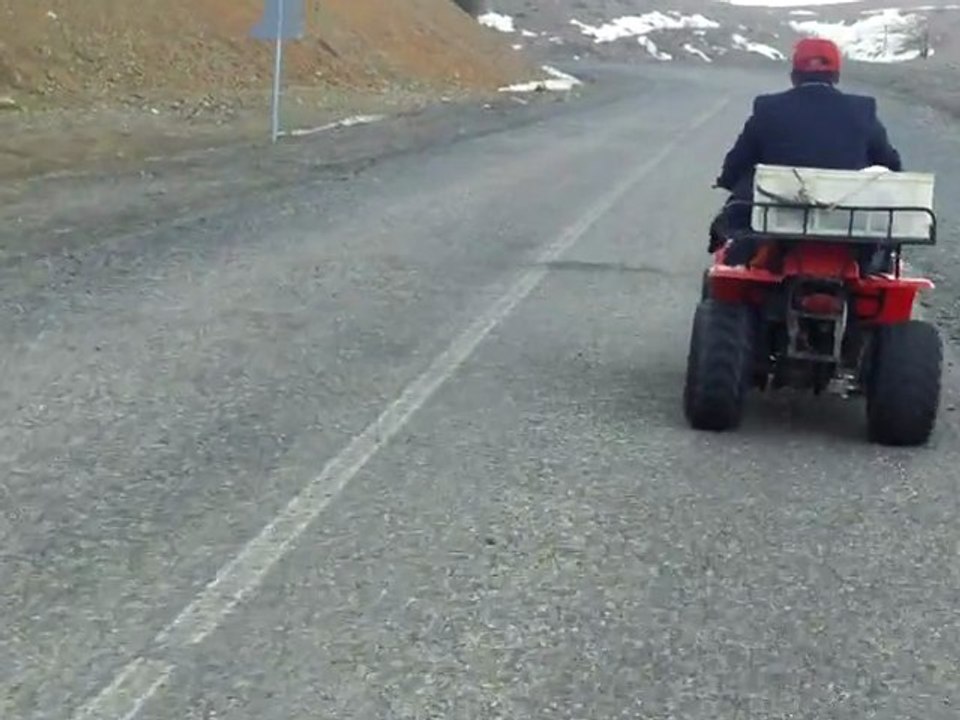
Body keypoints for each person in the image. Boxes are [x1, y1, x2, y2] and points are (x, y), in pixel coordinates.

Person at [709, 37, 903, 270]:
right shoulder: (863, 110)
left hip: (777, 220)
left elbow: (739, 160)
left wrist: (728, 180)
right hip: (846, 223)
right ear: (836, 75)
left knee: (732, 251)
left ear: (795, 75)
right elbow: (890, 164)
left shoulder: (768, 108)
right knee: (879, 261)